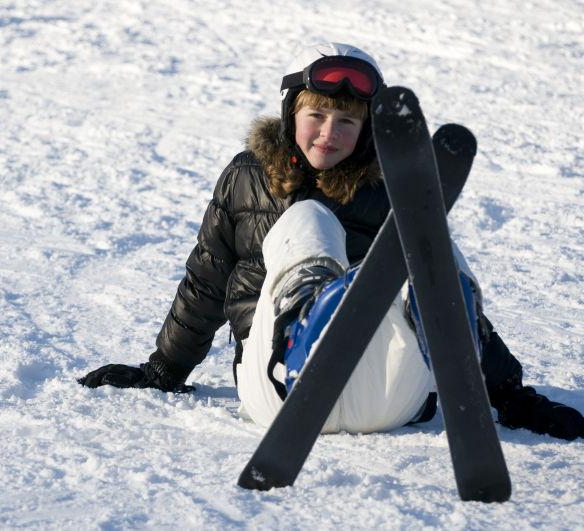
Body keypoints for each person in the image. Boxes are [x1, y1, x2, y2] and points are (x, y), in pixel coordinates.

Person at [78, 42, 584, 440]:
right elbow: (207, 281)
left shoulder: (388, 192)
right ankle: (306, 323)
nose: (329, 133)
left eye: (347, 122)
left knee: (431, 243)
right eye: (316, 116)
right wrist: (165, 369)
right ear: (289, 115)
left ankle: (439, 340)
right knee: (308, 221)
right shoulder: (246, 177)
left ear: (365, 132)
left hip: (388, 390)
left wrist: (513, 397)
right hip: (278, 383)